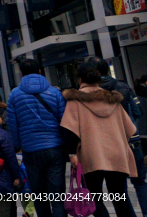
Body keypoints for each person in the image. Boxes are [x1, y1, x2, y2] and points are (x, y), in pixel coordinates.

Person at [62, 60, 137, 217]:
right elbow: (129, 128)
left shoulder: (75, 101)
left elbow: (70, 130)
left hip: (91, 154)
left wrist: (72, 154)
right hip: (117, 153)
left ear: (80, 79)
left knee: (94, 198)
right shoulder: (113, 99)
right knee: (120, 197)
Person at [5, 58, 67, 217]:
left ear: (21, 73)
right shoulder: (54, 92)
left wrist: (18, 145)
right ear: (40, 71)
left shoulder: (15, 95)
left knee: (39, 194)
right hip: (54, 147)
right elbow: (64, 121)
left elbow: (13, 124)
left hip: (30, 149)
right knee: (57, 195)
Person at [88, 56, 147, 216]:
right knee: (140, 182)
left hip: (110, 144)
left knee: (117, 187)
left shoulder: (89, 93)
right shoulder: (123, 86)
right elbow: (138, 111)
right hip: (132, 139)